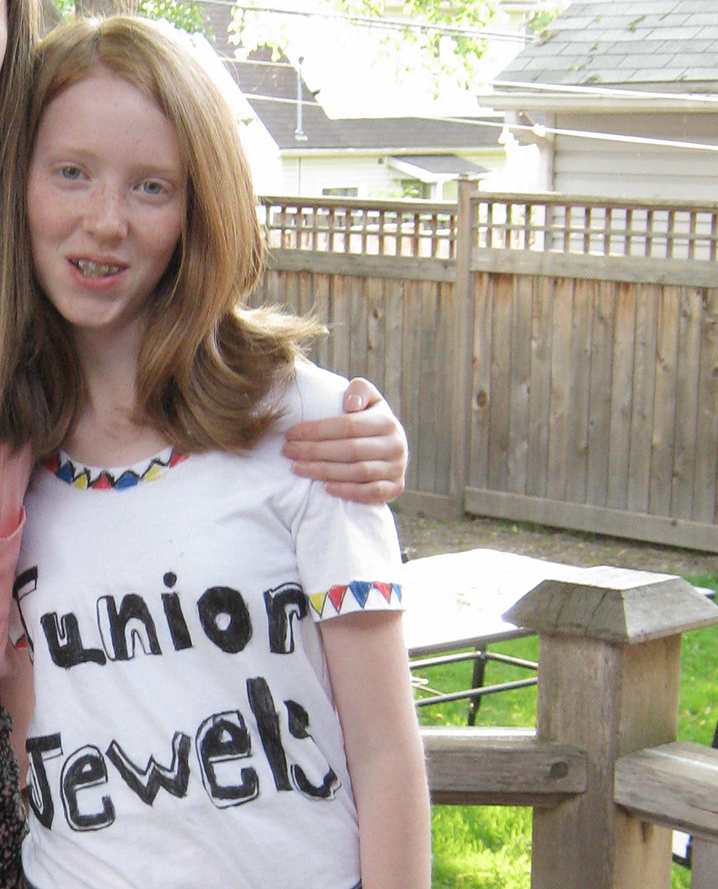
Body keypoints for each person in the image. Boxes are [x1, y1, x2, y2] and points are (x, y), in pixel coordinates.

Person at [11, 14, 430, 889]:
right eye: (71, 173)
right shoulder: (16, 449)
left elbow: (389, 753)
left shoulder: (312, 427)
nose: (105, 221)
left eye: (152, 187)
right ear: (20, 183)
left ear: (200, 206)